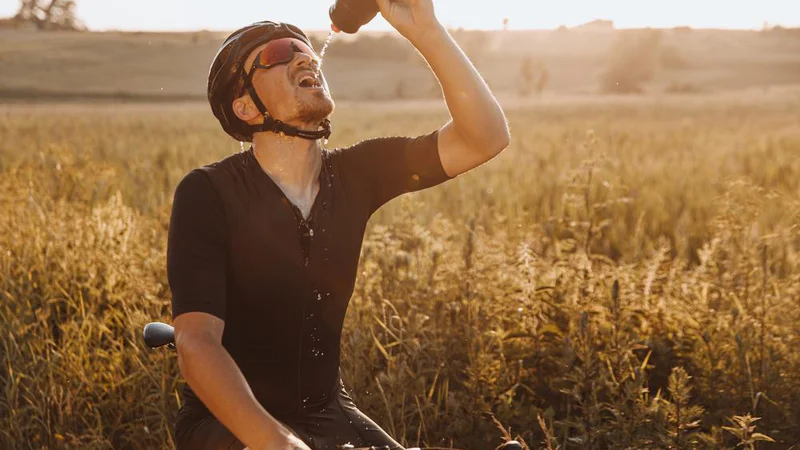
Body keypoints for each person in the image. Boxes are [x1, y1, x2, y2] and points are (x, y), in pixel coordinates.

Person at [167, 1, 510, 449]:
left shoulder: (357, 174)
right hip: (227, 423)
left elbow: (485, 137)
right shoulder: (208, 193)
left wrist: (427, 30)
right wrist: (280, 443)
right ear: (246, 107)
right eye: (278, 55)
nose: (304, 57)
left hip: (327, 411)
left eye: (305, 50)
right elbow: (196, 345)